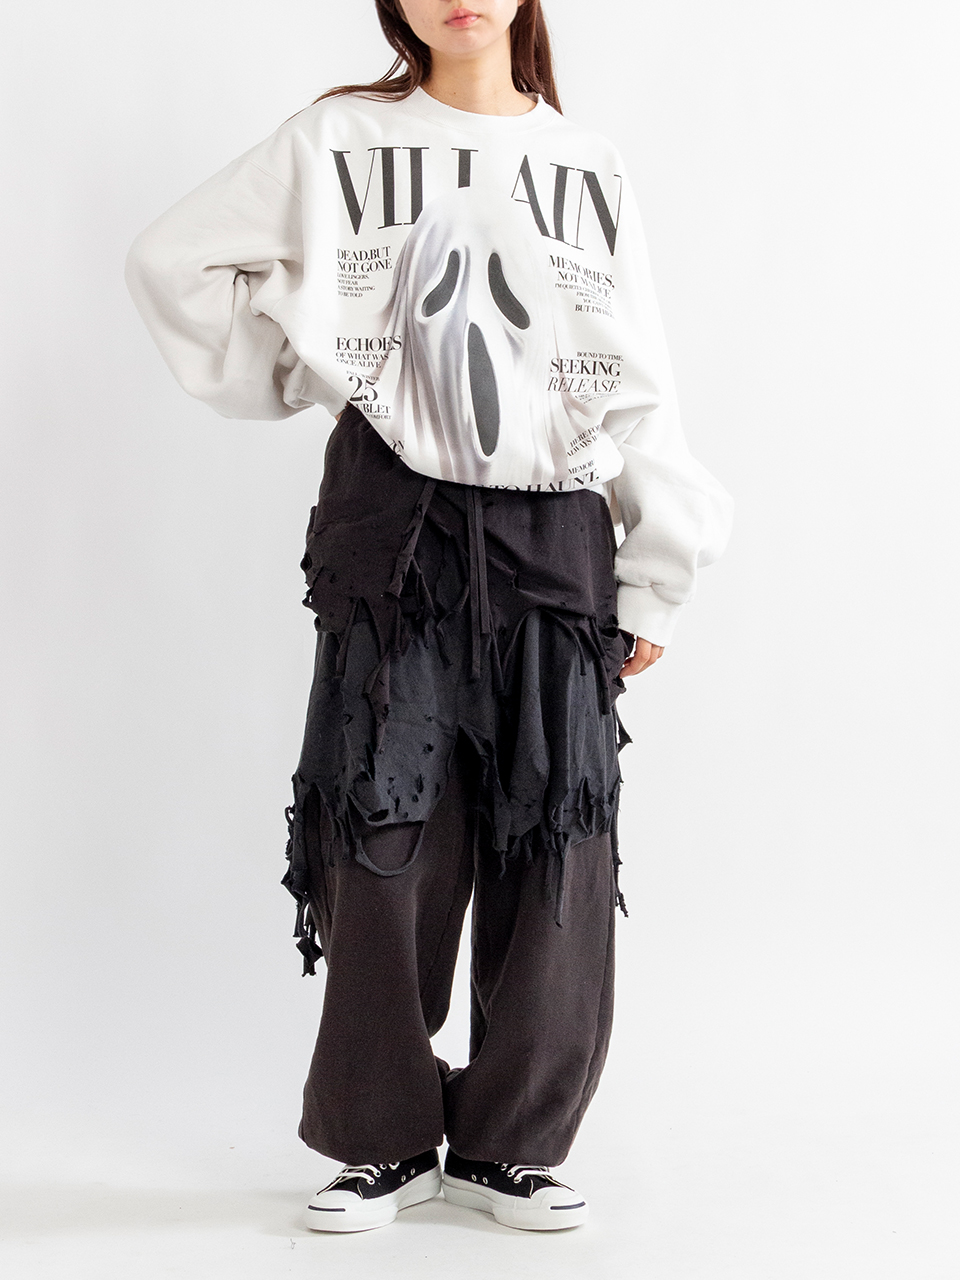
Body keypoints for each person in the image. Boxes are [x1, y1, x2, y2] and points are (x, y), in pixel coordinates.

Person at [125, 0, 734, 1236]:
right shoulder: (337, 142)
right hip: (391, 516)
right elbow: (171, 260)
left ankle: (511, 1144)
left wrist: (657, 564)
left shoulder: (585, 164)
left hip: (553, 528)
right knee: (382, 821)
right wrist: (306, 359)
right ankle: (383, 1136)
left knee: (555, 831)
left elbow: (635, 370)